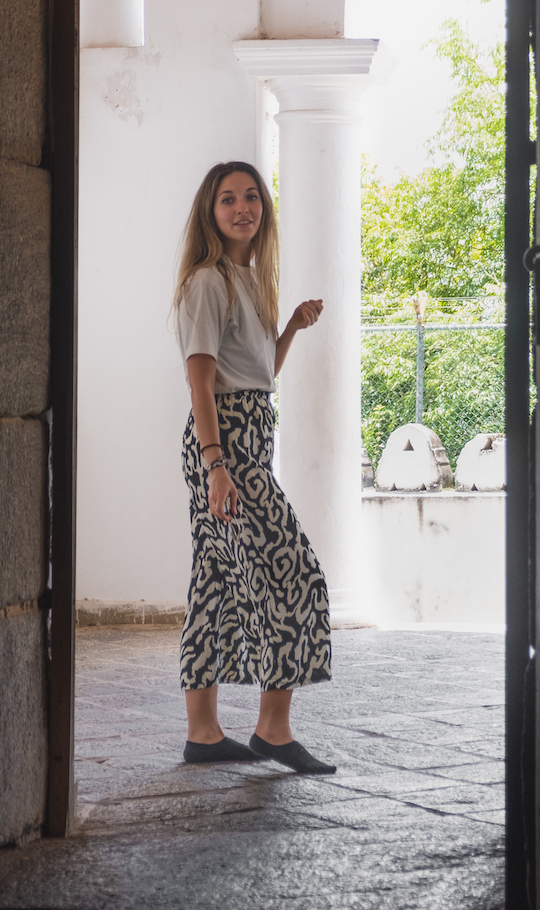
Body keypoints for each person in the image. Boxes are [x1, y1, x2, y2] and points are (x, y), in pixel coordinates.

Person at [173, 160, 336, 774]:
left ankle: (204, 733)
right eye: (226, 200)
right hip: (227, 444)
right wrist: (218, 465)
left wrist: (289, 325)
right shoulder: (207, 282)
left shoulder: (245, 279)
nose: (242, 208)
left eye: (250, 198)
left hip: (247, 435)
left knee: (215, 584)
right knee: (297, 576)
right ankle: (272, 729)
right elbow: (202, 383)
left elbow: (260, 373)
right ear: (209, 213)